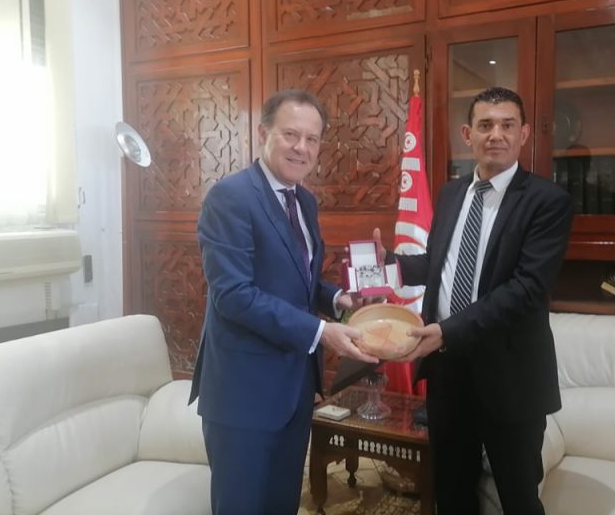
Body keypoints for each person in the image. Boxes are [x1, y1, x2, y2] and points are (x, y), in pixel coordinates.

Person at [374, 87, 574, 515]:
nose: (495, 134)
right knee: (451, 490)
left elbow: (526, 289)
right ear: (468, 134)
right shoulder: (451, 194)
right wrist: (389, 264)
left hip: (510, 376)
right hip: (447, 370)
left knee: (518, 497)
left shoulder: (547, 201)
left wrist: (448, 330)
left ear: (523, 134)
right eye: (485, 125)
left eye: (506, 125)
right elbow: (437, 264)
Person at [189, 89, 378, 514]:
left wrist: (338, 298)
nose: (301, 148)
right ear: (263, 133)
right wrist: (320, 331)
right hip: (243, 393)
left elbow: (298, 281)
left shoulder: (304, 200)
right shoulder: (230, 197)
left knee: (282, 503)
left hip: (295, 388)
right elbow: (233, 295)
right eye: (290, 134)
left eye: (312, 139)